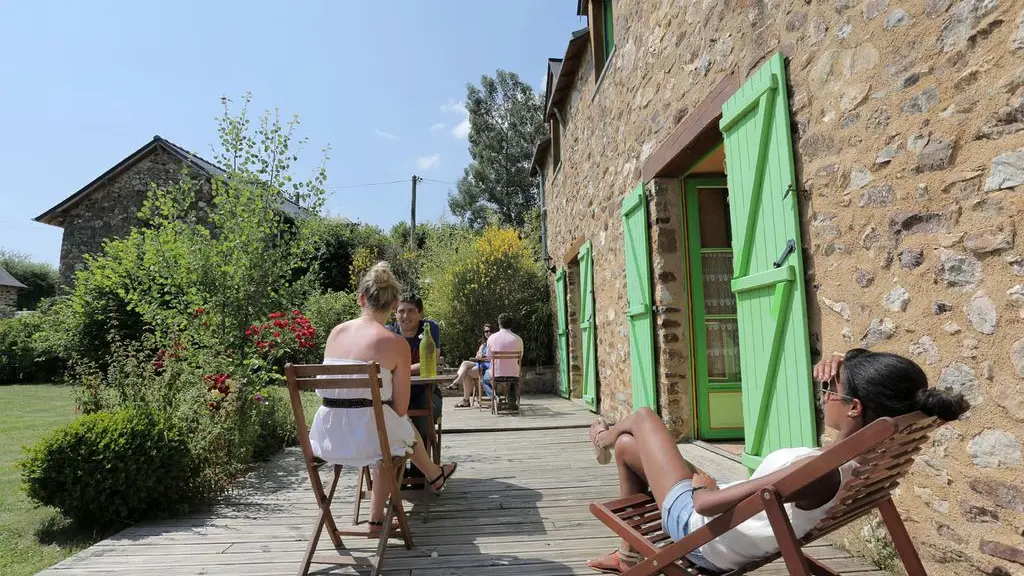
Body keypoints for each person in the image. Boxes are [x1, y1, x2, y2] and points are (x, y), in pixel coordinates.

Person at [585, 349, 969, 574]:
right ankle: (628, 553)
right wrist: (847, 361)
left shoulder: (816, 473)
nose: (823, 396)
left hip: (697, 531)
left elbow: (704, 504)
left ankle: (602, 435)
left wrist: (706, 488)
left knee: (643, 419)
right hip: (726, 521)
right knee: (628, 449)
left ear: (855, 408)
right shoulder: (857, 457)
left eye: (830, 390)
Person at [308, 261, 457, 535]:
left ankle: (432, 477)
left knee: (386, 429)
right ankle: (380, 517)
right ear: (394, 304)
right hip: (369, 438)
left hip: (326, 438)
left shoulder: (335, 333)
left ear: (361, 298)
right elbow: (401, 407)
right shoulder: (394, 343)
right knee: (394, 432)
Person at [387, 293, 443, 446]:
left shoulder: (429, 329)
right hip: (393, 393)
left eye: (411, 311)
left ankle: (421, 469)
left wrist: (398, 370)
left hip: (425, 392)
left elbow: (430, 363)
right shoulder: (388, 332)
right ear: (395, 313)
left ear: (420, 313)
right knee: (384, 418)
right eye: (401, 311)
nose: (405, 315)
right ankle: (396, 467)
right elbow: (384, 366)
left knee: (423, 417)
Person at [486, 313, 524, 410]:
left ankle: (497, 397)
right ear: (511, 324)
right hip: (514, 374)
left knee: (484, 379)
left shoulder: (492, 338)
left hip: (496, 374)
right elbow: (520, 358)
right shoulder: (518, 339)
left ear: (499, 324)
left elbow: (489, 357)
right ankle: (512, 400)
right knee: (511, 377)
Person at [449, 324, 493, 408]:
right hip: (480, 364)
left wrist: (483, 356)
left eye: (490, 331)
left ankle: (465, 399)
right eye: (486, 331)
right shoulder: (483, 344)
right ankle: (458, 381)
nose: (488, 333)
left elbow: (491, 356)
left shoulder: (494, 343)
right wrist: (479, 355)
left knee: (467, 373)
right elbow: (478, 355)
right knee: (465, 363)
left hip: (487, 366)